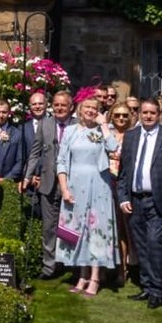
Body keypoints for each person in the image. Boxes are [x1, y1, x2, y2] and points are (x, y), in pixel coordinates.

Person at [116, 98, 162, 309]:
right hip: (135, 200)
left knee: (155, 243)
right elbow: (123, 172)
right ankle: (146, 286)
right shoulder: (131, 136)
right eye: (144, 112)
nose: (148, 116)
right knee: (140, 245)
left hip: (159, 201)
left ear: (159, 115)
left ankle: (158, 289)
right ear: (139, 114)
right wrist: (123, 197)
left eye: (152, 113)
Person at [54, 95, 120, 295]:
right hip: (75, 185)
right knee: (77, 230)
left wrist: (105, 125)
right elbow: (62, 161)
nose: (91, 111)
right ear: (80, 110)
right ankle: (81, 275)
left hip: (99, 186)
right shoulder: (71, 131)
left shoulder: (103, 131)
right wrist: (64, 188)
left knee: (96, 230)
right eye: (87, 107)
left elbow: (114, 148)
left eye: (95, 108)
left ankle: (95, 278)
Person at [23, 91, 72, 279]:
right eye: (56, 105)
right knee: (49, 228)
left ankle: (69, 265)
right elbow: (35, 153)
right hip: (48, 184)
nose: (59, 108)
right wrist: (27, 177)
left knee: (69, 227)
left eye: (63, 105)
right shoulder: (45, 124)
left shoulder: (77, 125)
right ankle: (49, 267)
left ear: (71, 107)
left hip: (70, 185)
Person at [0, 98, 26, 189]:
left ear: (9, 113)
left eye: (4, 112)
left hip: (9, 185)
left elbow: (20, 161)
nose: (1, 115)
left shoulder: (17, 134)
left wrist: (6, 180)